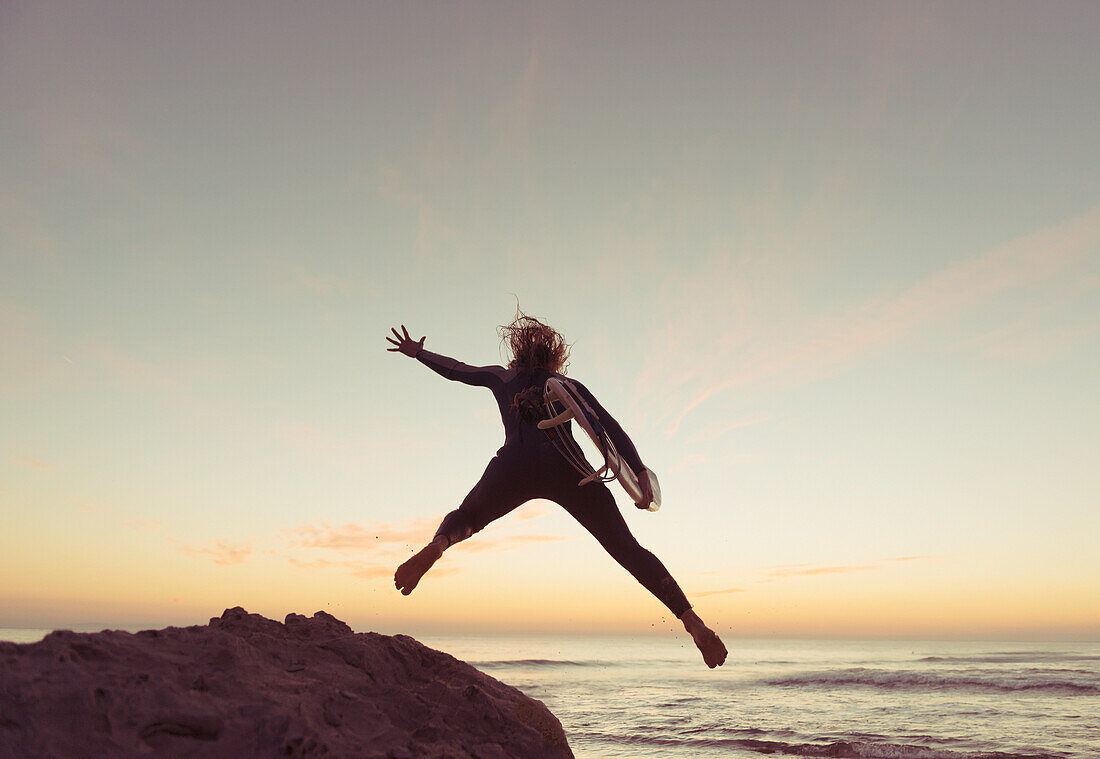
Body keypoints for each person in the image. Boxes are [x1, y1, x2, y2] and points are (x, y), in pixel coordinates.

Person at [387, 314, 728, 668]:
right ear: (554, 355)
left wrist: (418, 353)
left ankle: (438, 545)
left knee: (469, 517)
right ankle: (692, 620)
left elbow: (458, 370)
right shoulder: (565, 382)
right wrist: (639, 470)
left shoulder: (502, 377)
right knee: (628, 550)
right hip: (568, 469)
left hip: (514, 463)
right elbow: (608, 427)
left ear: (517, 352)